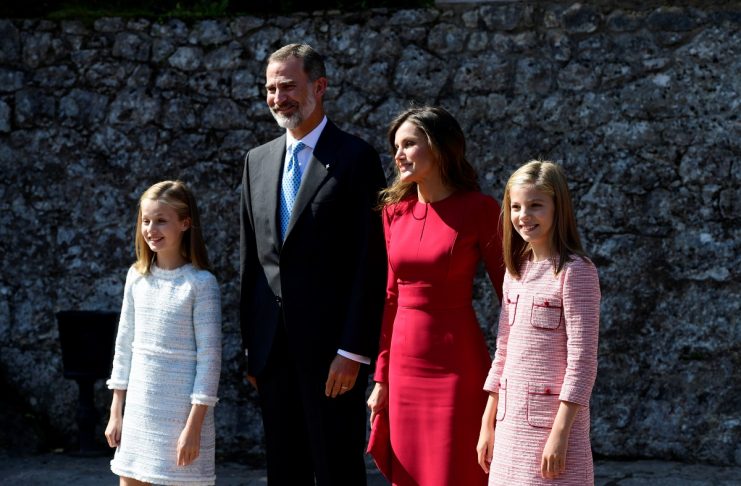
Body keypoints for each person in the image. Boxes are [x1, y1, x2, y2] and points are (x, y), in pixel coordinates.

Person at [239, 43, 387, 486]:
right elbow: (252, 261)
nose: (278, 97)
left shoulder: (356, 159)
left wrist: (353, 350)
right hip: (272, 353)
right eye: (270, 88)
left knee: (337, 469)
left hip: (333, 358)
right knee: (284, 472)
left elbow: (371, 261)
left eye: (288, 85)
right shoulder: (257, 161)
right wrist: (252, 348)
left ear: (318, 87)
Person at [366, 106, 505, 486]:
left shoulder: (479, 209)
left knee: (453, 470)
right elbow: (390, 299)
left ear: (440, 148)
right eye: (396, 146)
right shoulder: (393, 212)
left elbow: (511, 293)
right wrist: (381, 379)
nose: (398, 154)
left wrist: (510, 370)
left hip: (457, 366)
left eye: (409, 144)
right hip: (403, 369)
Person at [476, 160, 600, 485]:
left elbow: (582, 363)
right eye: (515, 206)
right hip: (508, 427)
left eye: (535, 205)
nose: (523, 216)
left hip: (551, 430)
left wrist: (561, 433)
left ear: (558, 208)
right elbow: (502, 354)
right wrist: (487, 422)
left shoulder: (576, 272)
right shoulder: (516, 271)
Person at [104, 180, 222, 486]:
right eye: (145, 220)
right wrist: (117, 411)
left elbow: (209, 361)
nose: (151, 229)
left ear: (185, 223)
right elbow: (124, 345)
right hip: (139, 413)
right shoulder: (136, 277)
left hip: (180, 418)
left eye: (161, 220)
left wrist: (193, 427)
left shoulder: (201, 284)